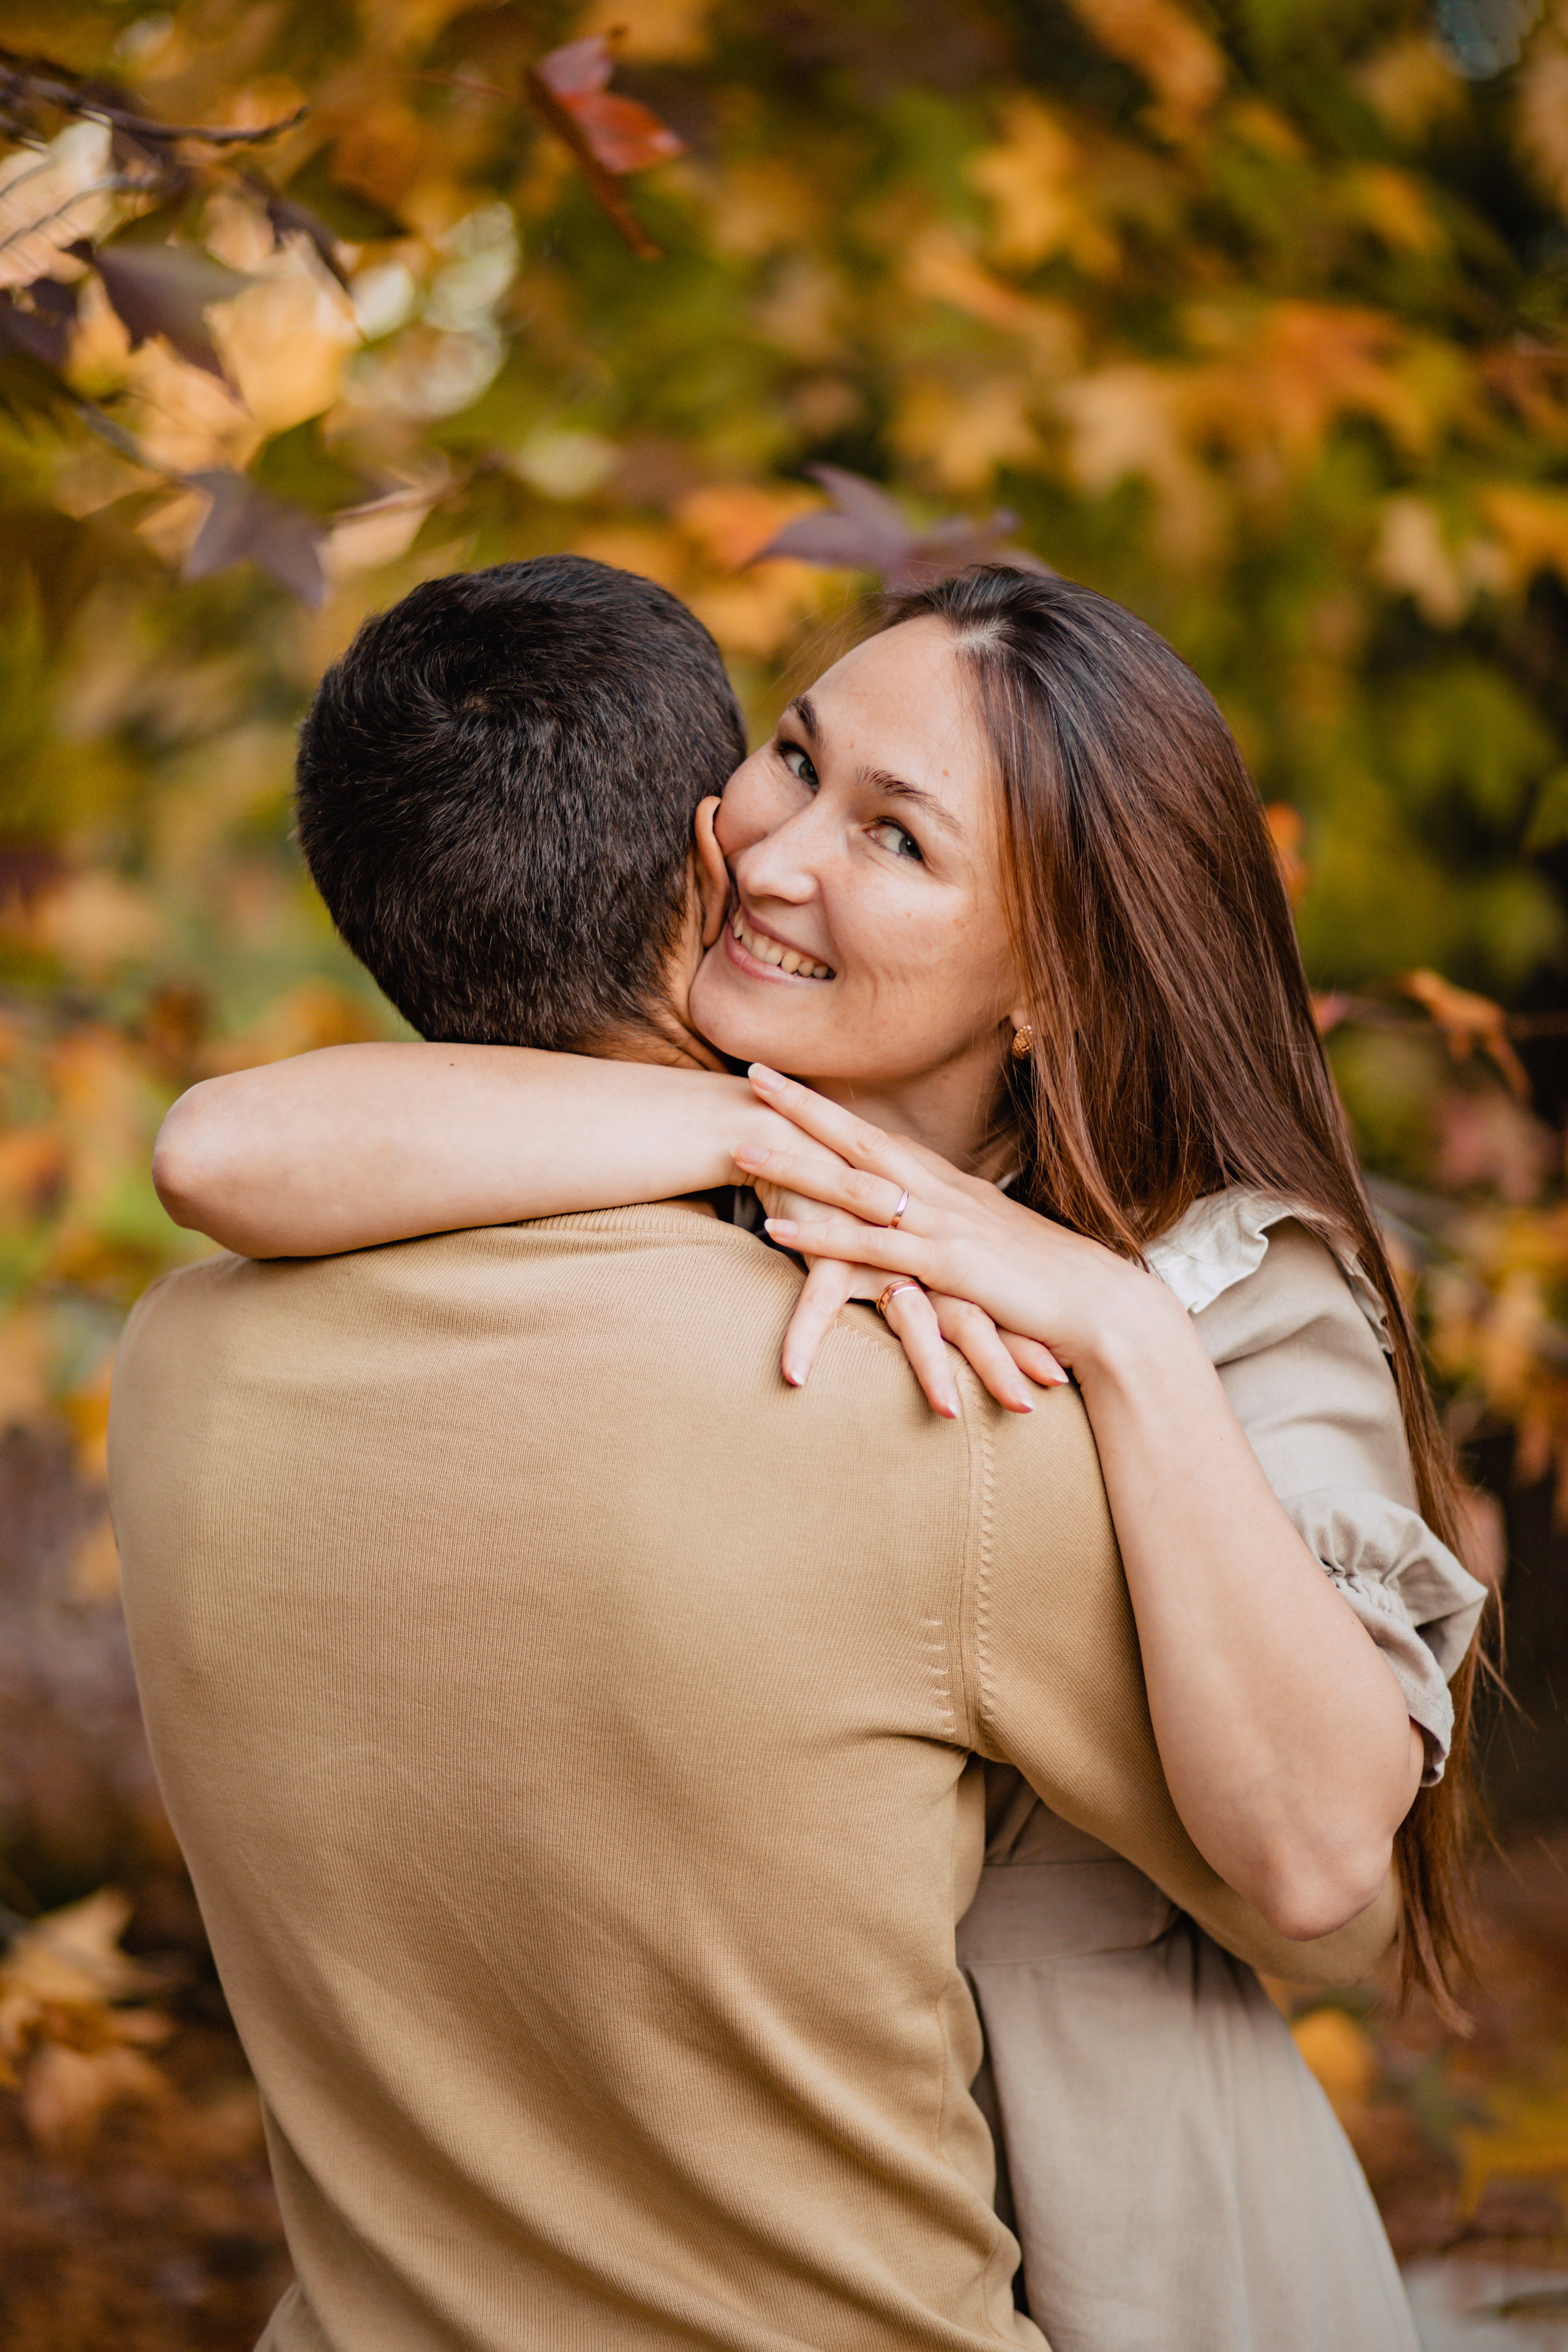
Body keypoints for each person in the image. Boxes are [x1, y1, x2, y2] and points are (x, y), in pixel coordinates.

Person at [156, 560, 1490, 2349]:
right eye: (795, 756)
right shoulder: (705, 1139)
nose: (774, 855)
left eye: (898, 840)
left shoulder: (1229, 1290)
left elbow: (1329, 1877)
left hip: (1130, 2267)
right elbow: (226, 1153)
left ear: (1050, 987)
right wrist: (753, 1128)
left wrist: (1117, 1336)